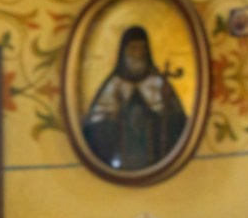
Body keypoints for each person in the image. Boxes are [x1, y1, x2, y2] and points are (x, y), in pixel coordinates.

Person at [81, 24, 189, 173]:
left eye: (142, 49)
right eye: (133, 48)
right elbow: (94, 129)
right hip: (120, 158)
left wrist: (167, 113)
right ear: (123, 52)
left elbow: (180, 125)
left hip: (156, 158)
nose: (138, 54)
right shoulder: (113, 86)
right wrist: (114, 119)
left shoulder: (157, 84)